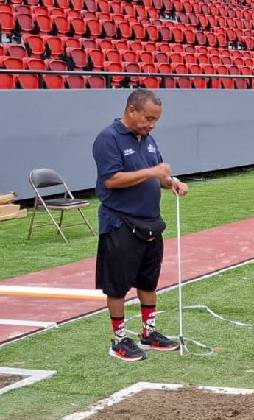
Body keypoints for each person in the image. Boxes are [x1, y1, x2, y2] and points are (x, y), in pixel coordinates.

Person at [93, 89, 189, 362]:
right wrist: (153, 172)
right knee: (117, 285)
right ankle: (119, 339)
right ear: (131, 110)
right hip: (119, 222)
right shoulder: (108, 138)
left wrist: (172, 182)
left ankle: (149, 332)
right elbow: (111, 180)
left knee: (149, 280)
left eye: (155, 120)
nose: (152, 124)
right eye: (148, 118)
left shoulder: (147, 139)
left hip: (150, 222)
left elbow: (158, 174)